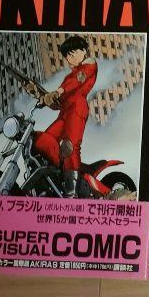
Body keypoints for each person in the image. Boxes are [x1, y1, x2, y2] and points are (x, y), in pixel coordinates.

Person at [26, 36, 97, 198]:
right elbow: (58, 102)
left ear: (83, 51)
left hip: (77, 109)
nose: (70, 58)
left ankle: (71, 193)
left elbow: (78, 81)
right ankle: (50, 180)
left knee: (69, 146)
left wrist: (58, 91)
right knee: (44, 141)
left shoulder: (89, 66)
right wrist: (43, 97)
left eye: (73, 53)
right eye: (67, 56)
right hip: (64, 112)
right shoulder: (69, 76)